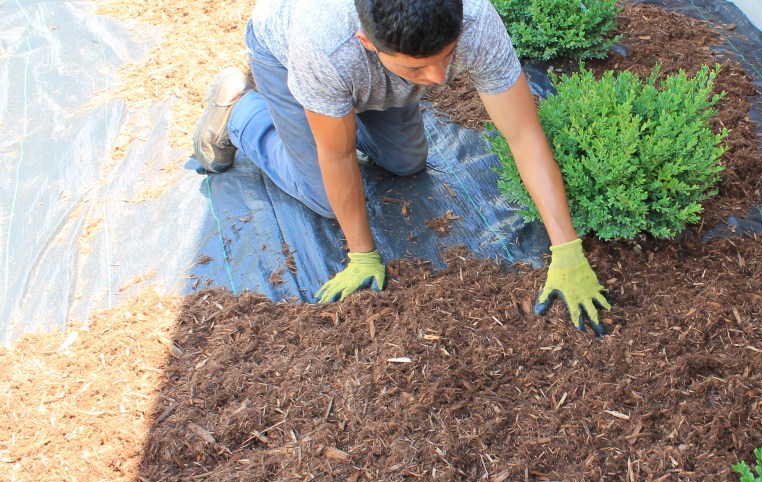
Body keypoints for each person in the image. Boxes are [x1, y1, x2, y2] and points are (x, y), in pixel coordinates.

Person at [192, 0, 610, 334]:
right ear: (367, 41)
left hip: (362, 75)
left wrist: (568, 251)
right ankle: (241, 113)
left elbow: (523, 134)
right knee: (323, 195)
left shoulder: (475, 21)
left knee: (406, 163)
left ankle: (350, 106)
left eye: (445, 57)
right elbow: (336, 155)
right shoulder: (325, 46)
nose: (438, 77)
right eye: (417, 67)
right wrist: (361, 256)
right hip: (284, 55)